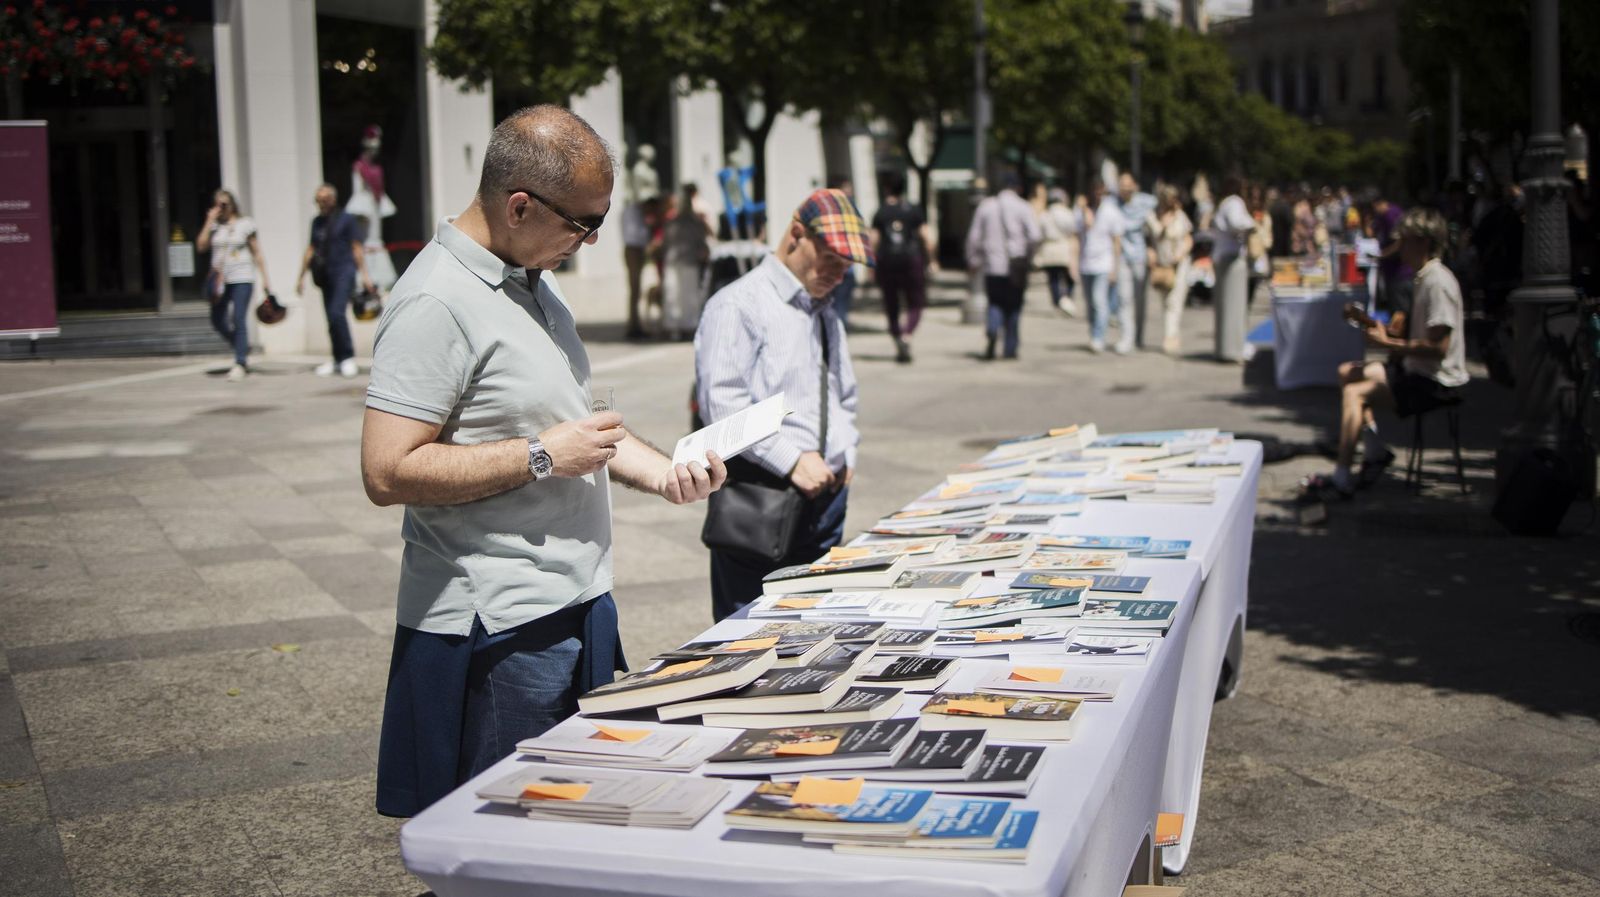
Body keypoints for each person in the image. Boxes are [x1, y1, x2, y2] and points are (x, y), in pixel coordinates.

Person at [360, 105, 726, 818]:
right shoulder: (435, 300)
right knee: (511, 834)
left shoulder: (532, 274)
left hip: (575, 602)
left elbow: (572, 427)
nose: (592, 240)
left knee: (569, 824)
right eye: (583, 224)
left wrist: (665, 472)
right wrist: (538, 456)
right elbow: (385, 470)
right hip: (501, 628)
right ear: (519, 206)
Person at [694, 188, 870, 621]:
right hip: (763, 498)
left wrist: (846, 450)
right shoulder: (738, 304)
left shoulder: (822, 307)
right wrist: (792, 461)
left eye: (846, 266)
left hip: (825, 495)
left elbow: (842, 391)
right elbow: (724, 407)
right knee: (750, 632)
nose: (838, 275)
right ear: (796, 235)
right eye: (830, 260)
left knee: (816, 627)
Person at [1321, 207, 1468, 496]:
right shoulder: (1422, 277)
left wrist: (1388, 345)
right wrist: (1370, 325)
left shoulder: (1437, 282)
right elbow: (1409, 334)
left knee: (1355, 393)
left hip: (1437, 381)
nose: (1399, 247)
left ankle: (1342, 475)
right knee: (1347, 372)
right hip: (1416, 368)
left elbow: (1438, 349)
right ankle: (1375, 450)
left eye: (1405, 240)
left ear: (1423, 242)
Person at [296, 184, 376, 378]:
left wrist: (365, 277)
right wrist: (301, 277)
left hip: (343, 271)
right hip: (324, 273)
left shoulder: (346, 219)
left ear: (333, 199)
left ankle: (347, 357)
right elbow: (311, 249)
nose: (321, 204)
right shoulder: (317, 222)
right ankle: (337, 359)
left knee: (336, 313)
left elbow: (357, 247)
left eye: (324, 199)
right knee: (330, 318)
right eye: (318, 200)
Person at [196, 188, 271, 382]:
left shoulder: (245, 224)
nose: (221, 208)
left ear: (232, 205)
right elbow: (201, 246)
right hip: (220, 280)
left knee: (238, 317)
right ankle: (241, 346)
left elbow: (257, 252)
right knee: (217, 319)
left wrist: (266, 279)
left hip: (242, 277)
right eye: (217, 204)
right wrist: (209, 220)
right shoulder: (214, 226)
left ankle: (240, 362)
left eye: (224, 204)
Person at [965, 174, 1041, 360]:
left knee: (995, 302)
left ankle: (993, 328)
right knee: (1014, 307)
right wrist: (1029, 255)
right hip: (1016, 265)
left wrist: (973, 260)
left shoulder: (986, 206)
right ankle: (1010, 348)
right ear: (1018, 188)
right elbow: (1035, 236)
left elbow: (974, 237)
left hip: (992, 265)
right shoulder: (1023, 207)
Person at [870, 173, 935, 363]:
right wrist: (932, 260)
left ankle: (897, 335)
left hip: (887, 261)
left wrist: (870, 266)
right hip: (911, 260)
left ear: (886, 188)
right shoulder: (913, 210)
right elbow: (927, 238)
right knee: (916, 302)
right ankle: (907, 334)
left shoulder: (880, 212)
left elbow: (873, 240)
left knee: (891, 304)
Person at [347, 125, 399, 291]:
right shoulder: (359, 167)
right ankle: (365, 279)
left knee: (376, 239)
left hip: (375, 207)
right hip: (365, 210)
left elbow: (379, 189)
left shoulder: (376, 169)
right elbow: (358, 189)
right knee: (366, 241)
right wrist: (360, 210)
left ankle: (378, 280)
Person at [1078, 179, 1125, 355]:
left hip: (1104, 264)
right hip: (1085, 264)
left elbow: (1117, 241)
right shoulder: (1082, 211)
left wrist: (1115, 267)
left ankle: (1099, 337)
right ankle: (1094, 334)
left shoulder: (1111, 212)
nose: (1097, 194)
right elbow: (1075, 237)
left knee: (1099, 302)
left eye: (1100, 191)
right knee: (1090, 304)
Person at [1210, 175, 1254, 362]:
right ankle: (1234, 349)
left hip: (1222, 255)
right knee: (1234, 306)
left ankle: (1225, 348)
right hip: (1232, 256)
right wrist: (1252, 225)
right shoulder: (1235, 202)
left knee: (1225, 306)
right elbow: (1237, 223)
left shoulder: (1224, 203)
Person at [662, 183, 713, 340]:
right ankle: (676, 326)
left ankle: (685, 326)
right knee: (675, 294)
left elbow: (702, 241)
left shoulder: (691, 222)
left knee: (685, 295)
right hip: (677, 262)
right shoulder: (675, 223)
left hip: (684, 262)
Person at [1147, 185, 1195, 356]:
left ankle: (1170, 336)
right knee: (1165, 301)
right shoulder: (1152, 216)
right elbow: (1151, 241)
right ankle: (1173, 334)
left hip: (1179, 264)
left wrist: (1180, 255)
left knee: (1175, 300)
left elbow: (1188, 239)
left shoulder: (1180, 216)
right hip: (1162, 264)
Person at [1117, 173, 1157, 350]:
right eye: (1122, 185)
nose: (1125, 188)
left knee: (1140, 299)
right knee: (1124, 298)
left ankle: (1138, 336)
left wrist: (1152, 248)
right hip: (1122, 257)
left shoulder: (1146, 202)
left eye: (1128, 185)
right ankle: (1127, 337)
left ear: (1134, 186)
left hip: (1140, 257)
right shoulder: (1114, 203)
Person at [1034, 187, 1080, 318]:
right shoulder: (1067, 213)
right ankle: (1066, 298)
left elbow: (1039, 233)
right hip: (1064, 247)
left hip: (1049, 248)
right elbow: (1074, 231)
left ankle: (1058, 300)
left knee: (1053, 278)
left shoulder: (1045, 214)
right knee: (1069, 277)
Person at [621, 195, 657, 340]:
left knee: (636, 291)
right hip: (634, 250)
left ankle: (636, 325)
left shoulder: (634, 212)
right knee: (635, 290)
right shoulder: (633, 213)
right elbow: (636, 235)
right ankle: (633, 326)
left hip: (636, 250)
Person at [827, 175, 859, 326]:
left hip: (841, 267)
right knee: (838, 307)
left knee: (836, 306)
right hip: (839, 265)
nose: (850, 192)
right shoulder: (846, 211)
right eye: (847, 189)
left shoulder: (826, 210)